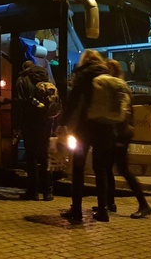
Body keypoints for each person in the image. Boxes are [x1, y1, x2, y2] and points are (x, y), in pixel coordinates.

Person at [58, 49, 111, 222]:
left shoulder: (82, 75)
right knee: (100, 169)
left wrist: (62, 123)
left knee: (78, 168)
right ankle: (103, 210)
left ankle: (77, 210)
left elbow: (72, 101)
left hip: (85, 127)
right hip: (103, 127)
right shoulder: (107, 75)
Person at [102, 59, 151, 219]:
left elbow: (123, 113)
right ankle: (108, 202)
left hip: (120, 134)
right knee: (107, 168)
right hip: (117, 132)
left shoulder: (120, 88)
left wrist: (117, 133)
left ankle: (144, 205)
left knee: (124, 170)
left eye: (107, 69)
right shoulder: (116, 86)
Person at [12, 61, 56, 201]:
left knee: (31, 156)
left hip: (29, 122)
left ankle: (33, 191)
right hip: (46, 122)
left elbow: (19, 103)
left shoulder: (22, 80)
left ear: (24, 69)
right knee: (44, 155)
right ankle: (48, 192)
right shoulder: (46, 77)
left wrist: (16, 125)